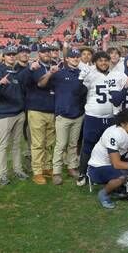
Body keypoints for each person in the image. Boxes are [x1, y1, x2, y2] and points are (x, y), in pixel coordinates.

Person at [77, 51, 127, 186]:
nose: (103, 63)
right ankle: (82, 173)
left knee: (110, 147)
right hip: (93, 117)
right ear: (95, 62)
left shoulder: (116, 74)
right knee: (88, 146)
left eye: (106, 60)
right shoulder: (90, 74)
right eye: (100, 60)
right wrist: (81, 79)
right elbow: (79, 92)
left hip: (110, 118)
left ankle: (108, 173)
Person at [38, 47, 84, 185]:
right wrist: (49, 74)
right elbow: (41, 84)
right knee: (61, 144)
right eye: (73, 57)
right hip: (63, 115)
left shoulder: (83, 73)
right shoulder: (59, 73)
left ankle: (72, 167)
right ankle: (57, 171)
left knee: (73, 144)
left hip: (78, 114)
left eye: (77, 57)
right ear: (67, 59)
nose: (75, 59)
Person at [87, 109, 128, 209]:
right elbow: (116, 164)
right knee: (121, 177)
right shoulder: (114, 134)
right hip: (96, 168)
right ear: (123, 123)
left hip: (109, 165)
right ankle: (103, 194)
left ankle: (115, 189)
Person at [0, 45, 29, 185]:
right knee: (4, 145)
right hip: (4, 114)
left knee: (17, 144)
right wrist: (0, 82)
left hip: (19, 112)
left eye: (13, 54)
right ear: (3, 56)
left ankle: (18, 169)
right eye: (8, 54)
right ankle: (3, 173)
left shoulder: (18, 71)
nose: (11, 56)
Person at [26, 43, 58, 185]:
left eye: (49, 52)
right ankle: (37, 171)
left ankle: (46, 167)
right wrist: (51, 73)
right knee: (38, 143)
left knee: (50, 143)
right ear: (39, 54)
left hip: (51, 109)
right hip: (37, 110)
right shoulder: (36, 67)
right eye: (44, 52)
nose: (47, 54)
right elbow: (41, 84)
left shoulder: (53, 65)